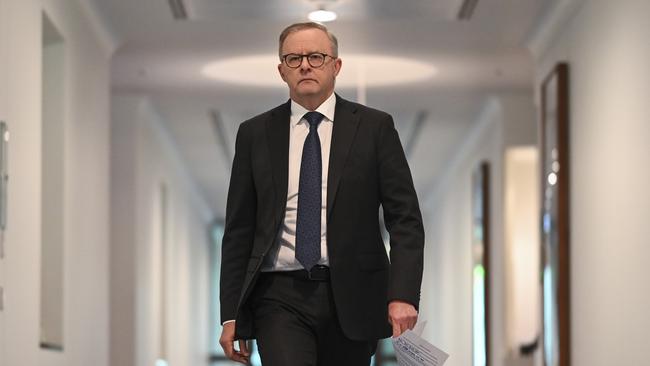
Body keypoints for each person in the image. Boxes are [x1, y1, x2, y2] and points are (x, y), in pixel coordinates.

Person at [219, 21, 424, 365]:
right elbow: (239, 230)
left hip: (355, 293)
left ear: (336, 66)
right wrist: (230, 314)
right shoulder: (254, 133)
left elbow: (405, 220)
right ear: (281, 70)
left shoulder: (375, 128)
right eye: (294, 58)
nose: (305, 65)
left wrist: (402, 295)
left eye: (316, 56)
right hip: (277, 294)